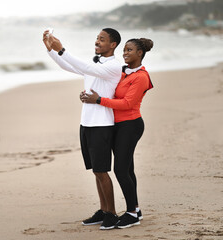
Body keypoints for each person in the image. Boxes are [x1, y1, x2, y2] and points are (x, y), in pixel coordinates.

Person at [42, 28, 122, 230]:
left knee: (102, 171)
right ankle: (103, 210)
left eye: (102, 39)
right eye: (97, 38)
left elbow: (81, 64)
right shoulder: (94, 64)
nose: (97, 41)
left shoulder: (113, 66)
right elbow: (69, 66)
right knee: (96, 171)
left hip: (102, 125)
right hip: (86, 123)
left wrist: (63, 49)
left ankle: (111, 214)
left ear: (113, 45)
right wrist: (51, 50)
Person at [80, 38, 154, 229]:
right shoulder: (123, 71)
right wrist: (89, 94)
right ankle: (135, 209)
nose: (125, 53)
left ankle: (131, 213)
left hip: (130, 125)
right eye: (124, 50)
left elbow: (127, 103)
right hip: (116, 125)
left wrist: (99, 100)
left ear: (140, 53)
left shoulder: (141, 77)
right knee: (127, 169)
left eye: (130, 50)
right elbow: (108, 88)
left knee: (121, 169)